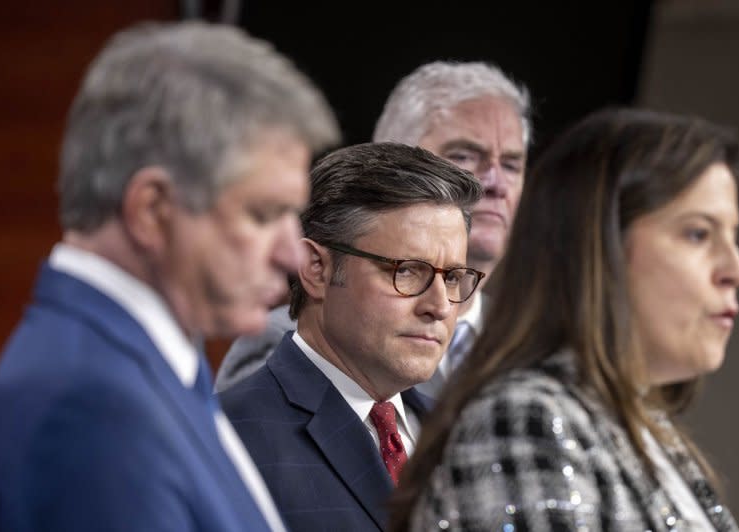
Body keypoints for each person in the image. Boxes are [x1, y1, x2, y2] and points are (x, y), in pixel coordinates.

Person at [0, 21, 339, 532]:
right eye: (262, 214)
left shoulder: (144, 359)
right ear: (152, 210)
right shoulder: (92, 410)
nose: (291, 254)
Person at [389, 107, 739, 532]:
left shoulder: (656, 434)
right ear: (597, 245)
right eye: (698, 234)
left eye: (733, 236)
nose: (736, 270)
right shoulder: (526, 417)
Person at [216, 60, 532, 396]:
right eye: (465, 156)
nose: (495, 183)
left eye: (512, 164)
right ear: (389, 158)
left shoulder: (541, 338)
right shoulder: (284, 343)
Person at [217, 142, 483, 531]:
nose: (440, 306)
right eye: (407, 271)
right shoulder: (228, 439)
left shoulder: (464, 438)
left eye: (454, 278)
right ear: (316, 269)